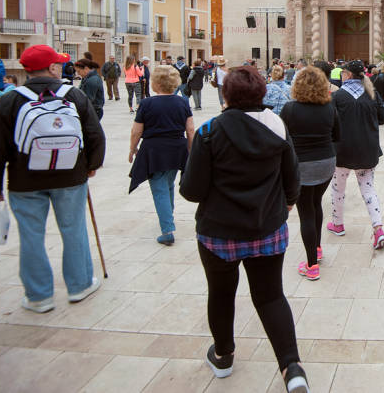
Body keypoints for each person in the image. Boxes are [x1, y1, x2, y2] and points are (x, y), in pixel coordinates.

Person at [180, 66, 309, 389]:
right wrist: (288, 201)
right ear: (262, 93)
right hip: (266, 227)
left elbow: (192, 190)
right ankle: (291, 368)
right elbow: (292, 177)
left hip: (218, 233)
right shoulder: (277, 126)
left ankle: (223, 355)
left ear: (226, 93)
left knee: (221, 294)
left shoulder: (209, 131)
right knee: (270, 296)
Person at [0, 45, 105, 313]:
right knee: (73, 230)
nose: (60, 67)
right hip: (70, 177)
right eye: (57, 64)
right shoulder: (73, 95)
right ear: (51, 68)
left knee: (31, 235)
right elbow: (95, 134)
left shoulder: (10, 100)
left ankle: (39, 296)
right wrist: (91, 165)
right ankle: (80, 284)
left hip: (24, 181)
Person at [281, 66, 341, 280]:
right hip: (326, 162)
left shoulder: (289, 109)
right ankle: (316, 247)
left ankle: (312, 265)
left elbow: (282, 138)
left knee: (306, 211)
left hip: (302, 165)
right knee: (315, 204)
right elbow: (337, 135)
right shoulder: (329, 108)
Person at [327, 60, 384, 249]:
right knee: (368, 189)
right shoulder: (372, 94)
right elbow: (383, 118)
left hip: (342, 151)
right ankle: (378, 228)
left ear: (348, 75)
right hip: (366, 149)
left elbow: (330, 122)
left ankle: (338, 224)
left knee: (338, 189)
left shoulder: (337, 97)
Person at [129, 65, 194, 245]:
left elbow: (136, 131)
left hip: (154, 150)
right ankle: (168, 216)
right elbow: (190, 129)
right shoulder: (183, 102)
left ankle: (167, 230)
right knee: (168, 184)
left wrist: (132, 148)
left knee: (159, 189)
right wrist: (191, 150)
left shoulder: (147, 103)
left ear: (155, 83)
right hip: (177, 148)